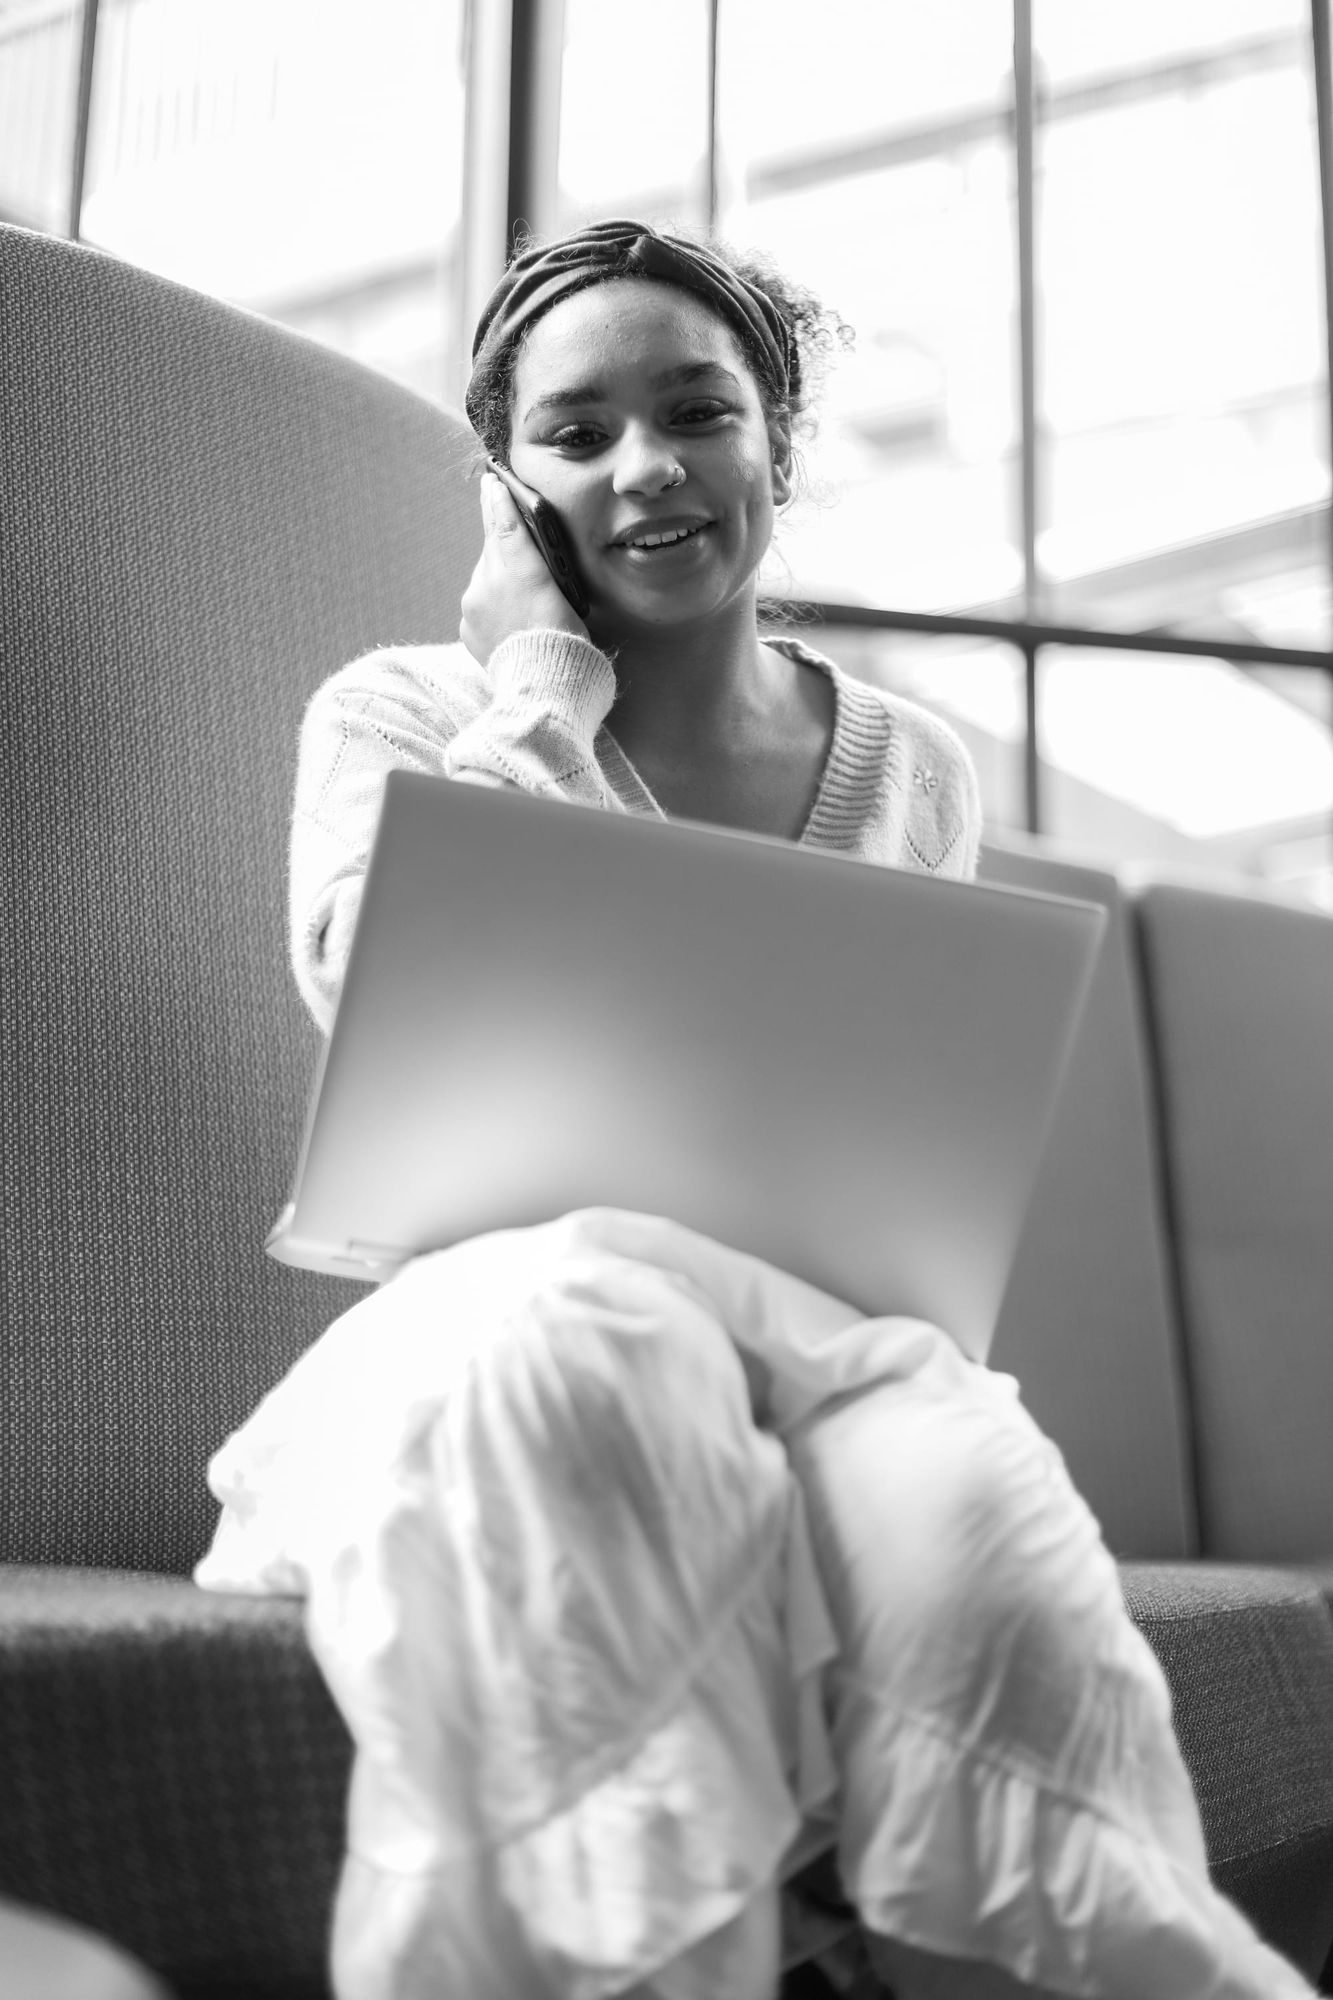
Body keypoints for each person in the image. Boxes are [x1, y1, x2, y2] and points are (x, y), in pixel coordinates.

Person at [196, 220, 1317, 2000]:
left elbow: (886, 1152)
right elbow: (367, 1002)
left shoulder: (911, 764)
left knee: (971, 1509)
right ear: (506, 493)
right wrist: (538, 696)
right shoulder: (400, 709)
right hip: (513, 1324)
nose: (643, 466)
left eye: (695, 412)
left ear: (772, 446)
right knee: (600, 1344)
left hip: (817, 1355)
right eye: (574, 435)